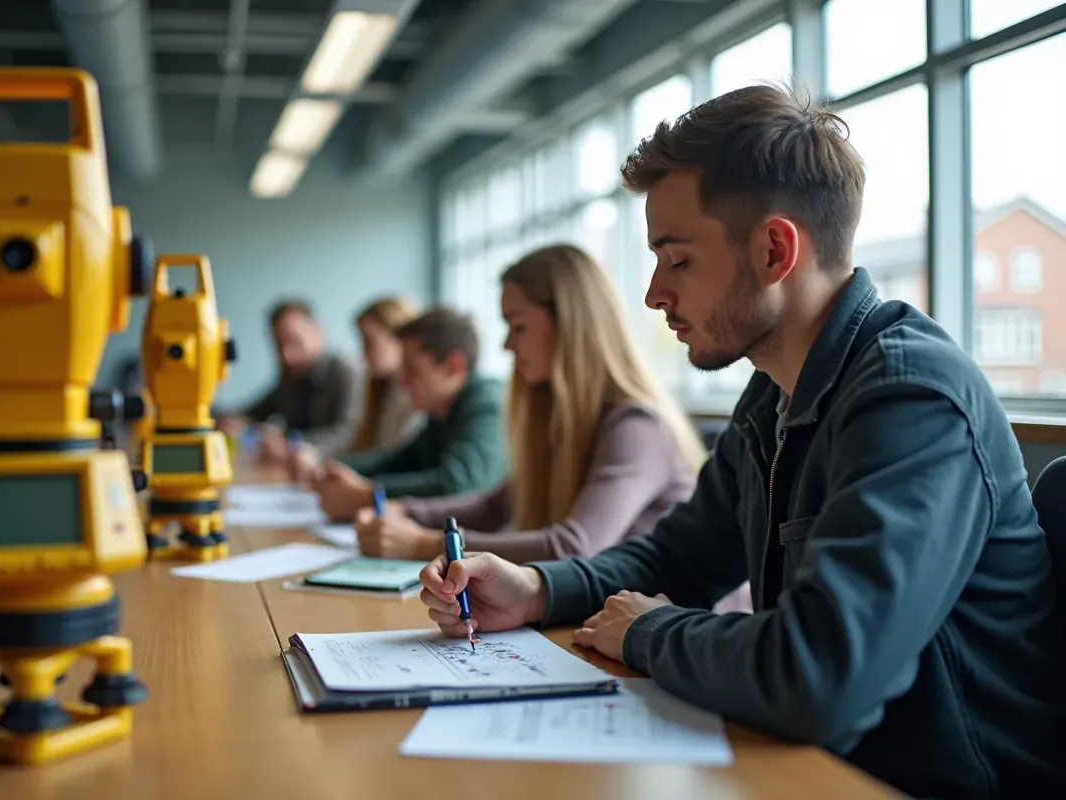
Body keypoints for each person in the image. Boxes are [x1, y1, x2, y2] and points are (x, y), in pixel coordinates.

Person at [416, 83, 1066, 798]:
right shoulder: (774, 392)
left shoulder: (912, 399)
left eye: (678, 259)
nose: (654, 293)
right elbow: (679, 557)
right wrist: (536, 590)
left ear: (774, 249)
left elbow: (820, 675)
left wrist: (649, 633)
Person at [352, 244, 707, 563]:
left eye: (517, 327)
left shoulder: (636, 426)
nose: (507, 345)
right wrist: (403, 512)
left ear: (569, 325)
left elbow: (573, 547)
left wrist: (426, 544)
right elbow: (494, 506)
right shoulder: (560, 421)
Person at [312, 307, 506, 521]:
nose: (402, 382)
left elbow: (458, 485)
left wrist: (368, 495)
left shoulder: (488, 405)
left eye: (413, 370)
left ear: (453, 366)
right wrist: (331, 469)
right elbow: (398, 460)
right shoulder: (442, 411)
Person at [289, 296, 424, 481]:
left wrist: (323, 462)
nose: (362, 355)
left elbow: (395, 462)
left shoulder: (417, 396)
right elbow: (358, 443)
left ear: (399, 339)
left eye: (369, 342)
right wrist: (316, 455)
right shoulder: (381, 389)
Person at [223, 299, 358, 463]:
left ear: (317, 332)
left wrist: (295, 446)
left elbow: (347, 433)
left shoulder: (345, 371)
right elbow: (254, 412)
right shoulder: (289, 377)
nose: (287, 355)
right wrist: (235, 422)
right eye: (279, 346)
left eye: (294, 341)